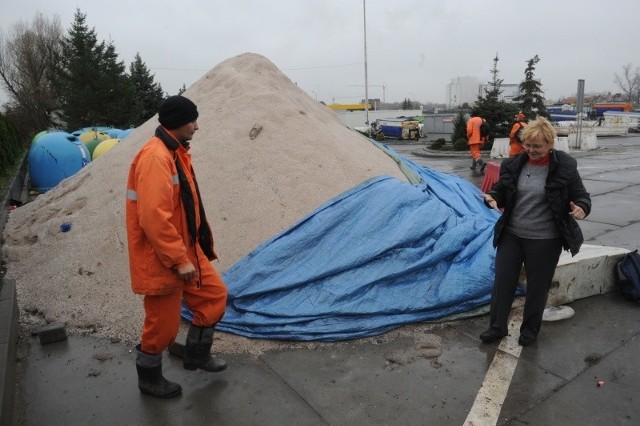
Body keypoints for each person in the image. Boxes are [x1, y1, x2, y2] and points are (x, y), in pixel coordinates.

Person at [126, 95, 228, 398]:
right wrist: (178, 259)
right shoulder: (156, 157)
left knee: (214, 296)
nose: (196, 126)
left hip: (186, 251)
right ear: (176, 123)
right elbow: (153, 218)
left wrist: (189, 253)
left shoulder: (175, 152)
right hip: (164, 258)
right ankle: (149, 377)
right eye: (192, 120)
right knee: (163, 327)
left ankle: (196, 355)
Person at [479, 117, 591, 346]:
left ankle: (529, 331)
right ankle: (496, 328)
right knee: (503, 283)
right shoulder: (514, 164)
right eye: (527, 145)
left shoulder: (565, 167)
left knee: (537, 288)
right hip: (511, 234)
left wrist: (581, 207)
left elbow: (581, 196)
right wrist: (493, 196)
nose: (531, 150)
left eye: (537, 146)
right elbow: (501, 189)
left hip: (545, 239)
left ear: (550, 144)